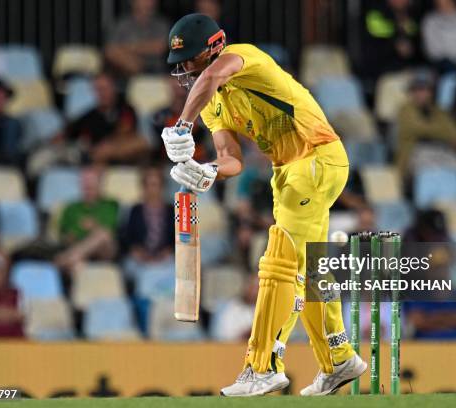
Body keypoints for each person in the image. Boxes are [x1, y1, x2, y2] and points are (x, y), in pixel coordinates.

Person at [161, 14, 364, 396]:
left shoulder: (243, 57)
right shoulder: (211, 104)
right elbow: (230, 157)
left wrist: (181, 127)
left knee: (278, 265)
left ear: (213, 48)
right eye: (180, 64)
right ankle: (339, 359)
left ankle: (263, 366)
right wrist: (206, 172)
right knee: (311, 269)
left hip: (316, 158)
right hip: (290, 172)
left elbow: (211, 78)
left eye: (190, 59)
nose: (185, 69)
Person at [64, 72, 149, 165]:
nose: (102, 93)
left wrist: (108, 146)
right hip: (96, 158)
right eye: (99, 89)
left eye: (105, 88)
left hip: (123, 153)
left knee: (139, 143)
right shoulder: (87, 117)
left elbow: (126, 134)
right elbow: (72, 137)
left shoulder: (126, 109)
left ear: (113, 88)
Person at [396, 70, 456, 175]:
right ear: (411, 92)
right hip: (415, 154)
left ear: (431, 92)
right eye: (416, 90)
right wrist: (440, 130)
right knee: (434, 171)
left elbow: (455, 134)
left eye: (424, 89)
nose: (421, 94)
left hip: (443, 152)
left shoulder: (440, 111)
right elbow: (415, 128)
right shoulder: (405, 109)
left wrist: (428, 129)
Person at [122, 166, 175, 296]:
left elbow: (177, 237)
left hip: (165, 257)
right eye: (148, 185)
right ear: (143, 188)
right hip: (140, 257)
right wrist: (137, 251)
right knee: (135, 270)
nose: (151, 189)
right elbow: (127, 236)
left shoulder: (171, 210)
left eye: (155, 185)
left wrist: (166, 252)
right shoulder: (135, 210)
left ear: (162, 187)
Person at [55, 167, 119, 272]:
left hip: (105, 252)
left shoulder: (110, 205)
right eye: (86, 187)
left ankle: (66, 258)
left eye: (91, 186)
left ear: (99, 186)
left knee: (103, 234)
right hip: (79, 250)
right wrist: (73, 236)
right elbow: (65, 235)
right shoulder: (70, 208)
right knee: (77, 265)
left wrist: (92, 226)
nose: (88, 190)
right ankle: (73, 259)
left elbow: (109, 232)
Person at [151, 77, 210, 164]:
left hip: (198, 163)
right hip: (167, 165)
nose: (180, 83)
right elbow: (155, 146)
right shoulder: (159, 117)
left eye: (184, 79)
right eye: (176, 79)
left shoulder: (202, 115)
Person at [360, 0, 422, 82]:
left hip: (412, 70)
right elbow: (377, 41)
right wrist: (396, 44)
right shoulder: (375, 13)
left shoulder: (415, 14)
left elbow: (418, 42)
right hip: (382, 72)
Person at [105, 0, 169, 77]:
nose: (150, 2)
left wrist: (126, 48)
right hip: (123, 74)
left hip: (155, 73)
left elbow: (159, 47)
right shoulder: (121, 24)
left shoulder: (161, 24)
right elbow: (110, 51)